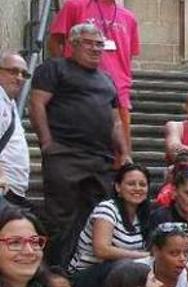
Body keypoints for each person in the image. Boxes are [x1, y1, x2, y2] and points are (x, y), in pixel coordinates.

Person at [29, 22, 130, 266]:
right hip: (65, 154)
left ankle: (85, 268)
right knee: (60, 218)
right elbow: (37, 104)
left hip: (101, 158)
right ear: (72, 44)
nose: (96, 49)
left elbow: (116, 121)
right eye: (89, 43)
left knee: (99, 215)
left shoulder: (107, 79)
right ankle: (54, 270)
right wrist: (47, 144)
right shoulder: (54, 68)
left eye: (100, 44)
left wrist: (125, 152)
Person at [49, 0, 140, 145]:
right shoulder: (75, 6)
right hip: (79, 88)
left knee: (121, 152)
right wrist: (63, 74)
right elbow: (55, 41)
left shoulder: (129, 17)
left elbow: (128, 55)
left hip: (119, 92)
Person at [66, 163, 150, 287]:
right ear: (118, 187)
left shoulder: (142, 216)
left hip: (118, 278)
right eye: (131, 184)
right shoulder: (106, 209)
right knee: (126, 267)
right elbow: (101, 250)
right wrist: (142, 256)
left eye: (142, 184)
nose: (137, 188)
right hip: (86, 279)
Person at [0, 52, 31, 208]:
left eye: (24, 74)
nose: (19, 77)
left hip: (10, 192)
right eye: (13, 71)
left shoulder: (8, 102)